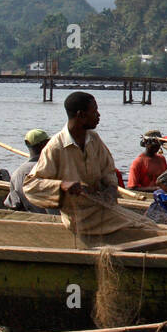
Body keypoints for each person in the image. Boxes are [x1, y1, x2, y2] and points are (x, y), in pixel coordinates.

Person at [22, 93, 153, 244]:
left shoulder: (94, 139)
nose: (98, 115)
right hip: (80, 219)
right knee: (148, 229)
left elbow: (108, 171)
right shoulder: (56, 147)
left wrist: (110, 189)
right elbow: (30, 186)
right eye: (94, 111)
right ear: (81, 115)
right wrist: (63, 185)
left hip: (102, 209)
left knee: (149, 225)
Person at [4, 129, 51, 213]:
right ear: (45, 145)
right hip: (55, 221)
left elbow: (14, 204)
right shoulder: (53, 168)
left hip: (32, 219)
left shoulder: (17, 174)